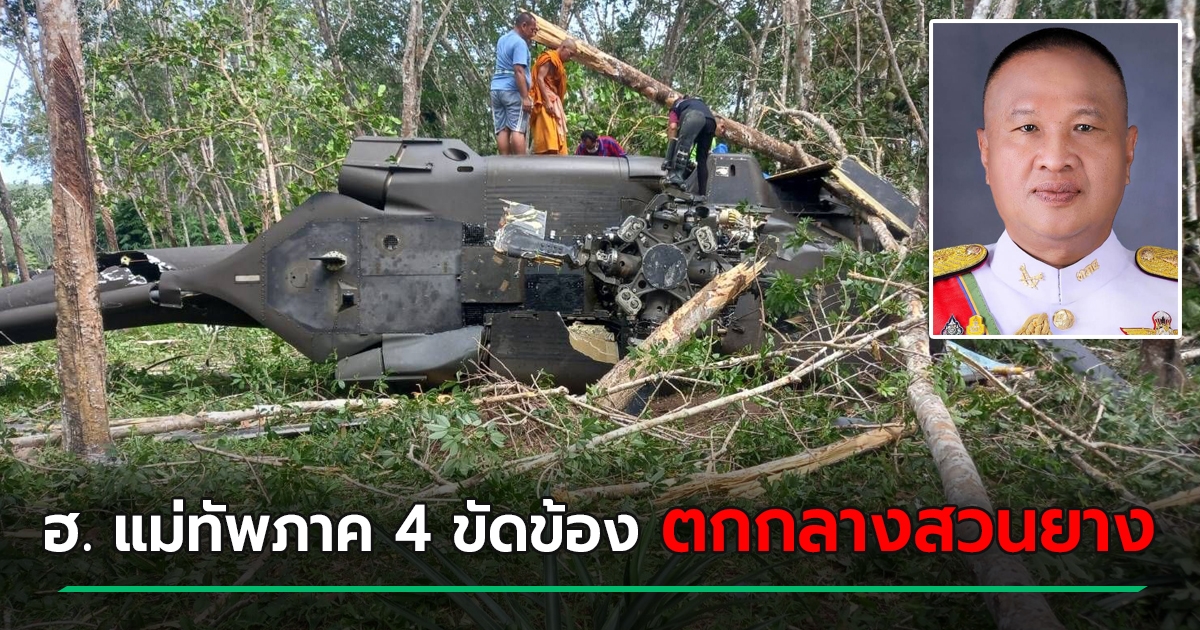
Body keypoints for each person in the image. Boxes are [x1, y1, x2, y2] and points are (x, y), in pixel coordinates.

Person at [932, 27, 1179, 336]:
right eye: (1027, 127)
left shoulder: (1179, 298)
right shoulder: (927, 297)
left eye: (1085, 127)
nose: (1055, 159)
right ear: (986, 152)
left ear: (1128, 151)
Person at [490, 13, 539, 155]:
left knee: (502, 129)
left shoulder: (502, 39)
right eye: (532, 30)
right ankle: (521, 165)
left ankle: (504, 163)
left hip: (496, 89)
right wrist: (525, 97)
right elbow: (518, 70)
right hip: (512, 90)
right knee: (517, 129)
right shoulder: (519, 43)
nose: (533, 34)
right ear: (523, 26)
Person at [663, 95, 718, 197]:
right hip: (711, 121)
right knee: (702, 160)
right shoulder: (698, 103)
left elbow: (673, 127)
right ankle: (702, 195)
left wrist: (669, 156)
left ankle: (676, 180)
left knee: (683, 148)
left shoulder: (676, 106)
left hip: (694, 116)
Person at [530, 39, 577, 155]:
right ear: (563, 47)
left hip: (553, 100)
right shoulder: (549, 58)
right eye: (570, 54)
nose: (569, 58)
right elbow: (540, 78)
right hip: (545, 101)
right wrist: (547, 101)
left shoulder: (558, 63)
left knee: (556, 136)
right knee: (548, 137)